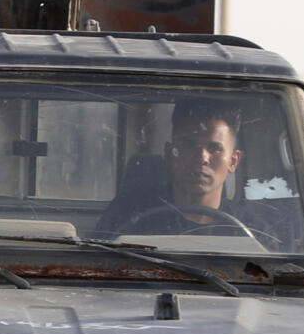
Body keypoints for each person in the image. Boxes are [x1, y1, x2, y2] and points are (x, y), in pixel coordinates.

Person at [96, 99, 251, 237]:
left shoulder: (252, 229)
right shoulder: (127, 212)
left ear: (233, 161)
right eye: (189, 145)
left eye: (215, 148)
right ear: (169, 154)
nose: (202, 158)